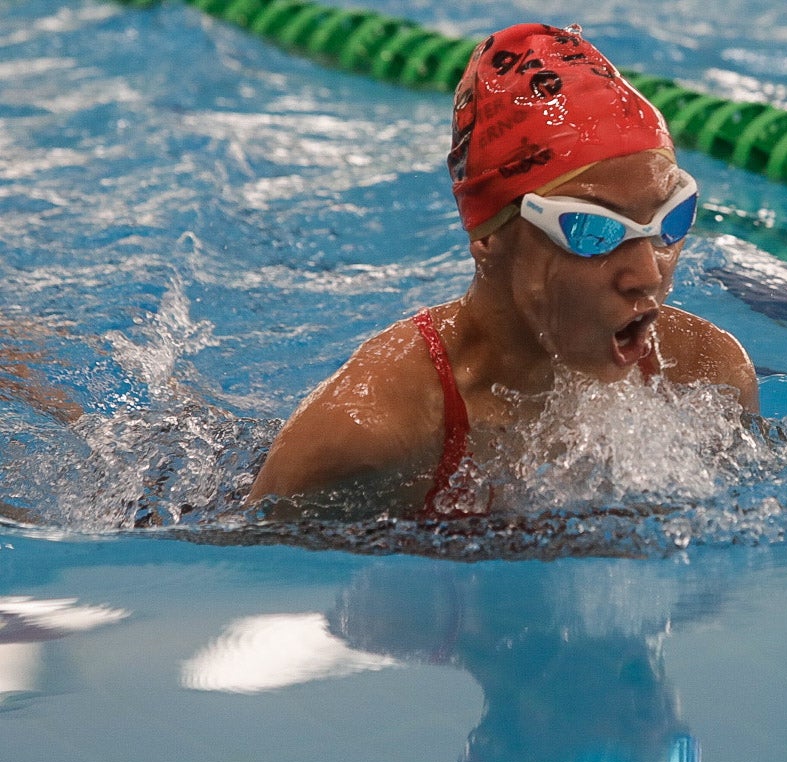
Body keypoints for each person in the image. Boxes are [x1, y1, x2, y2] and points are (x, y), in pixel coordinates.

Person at [246, 23, 759, 520]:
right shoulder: (369, 432)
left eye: (671, 218)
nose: (647, 274)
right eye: (592, 230)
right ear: (487, 235)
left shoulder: (705, 376)